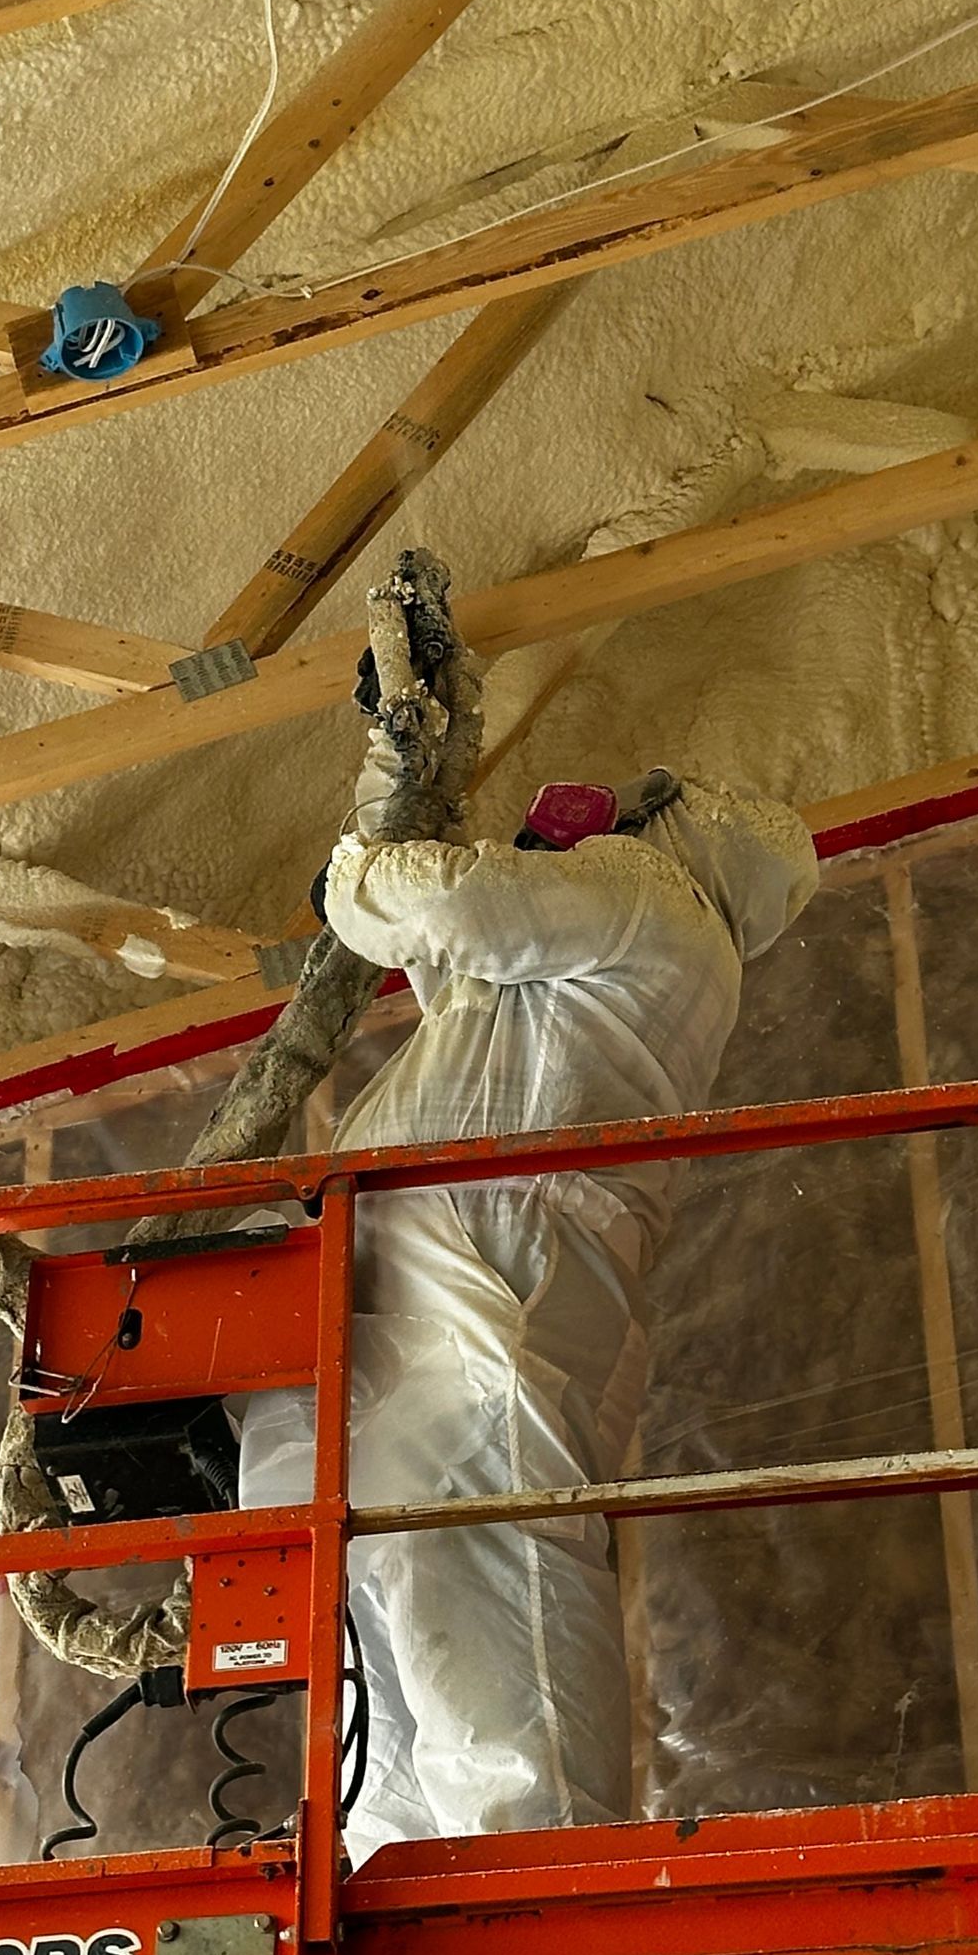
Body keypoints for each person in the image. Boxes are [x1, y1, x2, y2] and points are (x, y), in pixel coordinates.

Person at [236, 732, 818, 1864]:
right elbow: (456, 962)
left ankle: (541, 1908)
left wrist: (354, 876)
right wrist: (388, 801)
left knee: (486, 1573)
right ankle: (401, 1890)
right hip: (439, 1297)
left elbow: (455, 900)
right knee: (403, 1599)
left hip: (482, 1291)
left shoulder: (660, 895)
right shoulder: (608, 973)